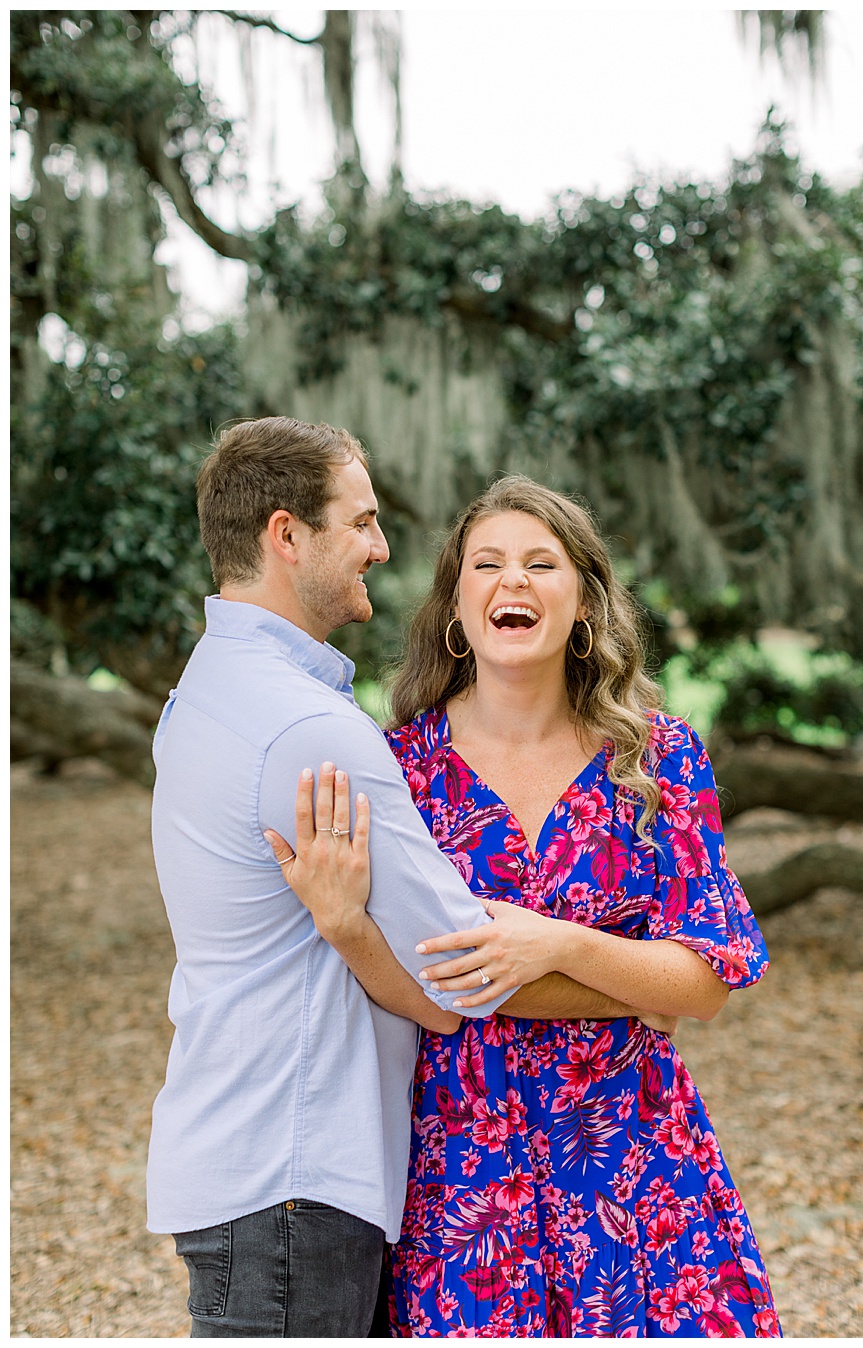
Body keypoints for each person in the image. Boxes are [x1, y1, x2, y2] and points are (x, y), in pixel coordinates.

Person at [148, 417, 668, 1337]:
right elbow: (453, 975)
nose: (381, 549)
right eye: (360, 522)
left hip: (243, 1159)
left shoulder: (204, 689)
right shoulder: (313, 731)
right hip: (296, 1177)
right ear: (285, 535)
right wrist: (635, 987)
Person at [305, 475, 780, 1336]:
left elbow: (707, 982)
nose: (511, 582)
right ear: (457, 605)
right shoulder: (401, 771)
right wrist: (639, 989)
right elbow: (434, 984)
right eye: (486, 565)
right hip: (463, 1174)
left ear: (584, 603)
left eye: (539, 563)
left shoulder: (659, 760)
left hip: (635, 1162)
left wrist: (554, 943)